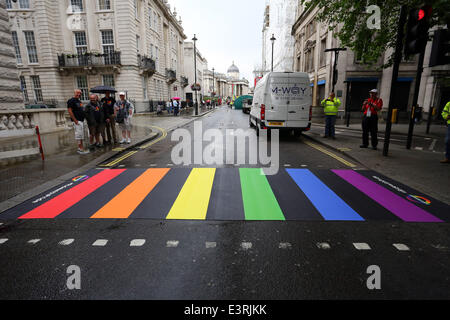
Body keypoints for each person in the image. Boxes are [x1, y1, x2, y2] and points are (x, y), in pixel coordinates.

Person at [67, 89, 89, 154]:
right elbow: (70, 111)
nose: (79, 94)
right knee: (79, 135)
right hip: (77, 121)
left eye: (80, 93)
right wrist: (75, 120)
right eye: (77, 93)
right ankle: (80, 149)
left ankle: (82, 148)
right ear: (74, 93)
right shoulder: (71, 101)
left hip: (81, 120)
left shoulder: (79, 101)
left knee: (81, 135)